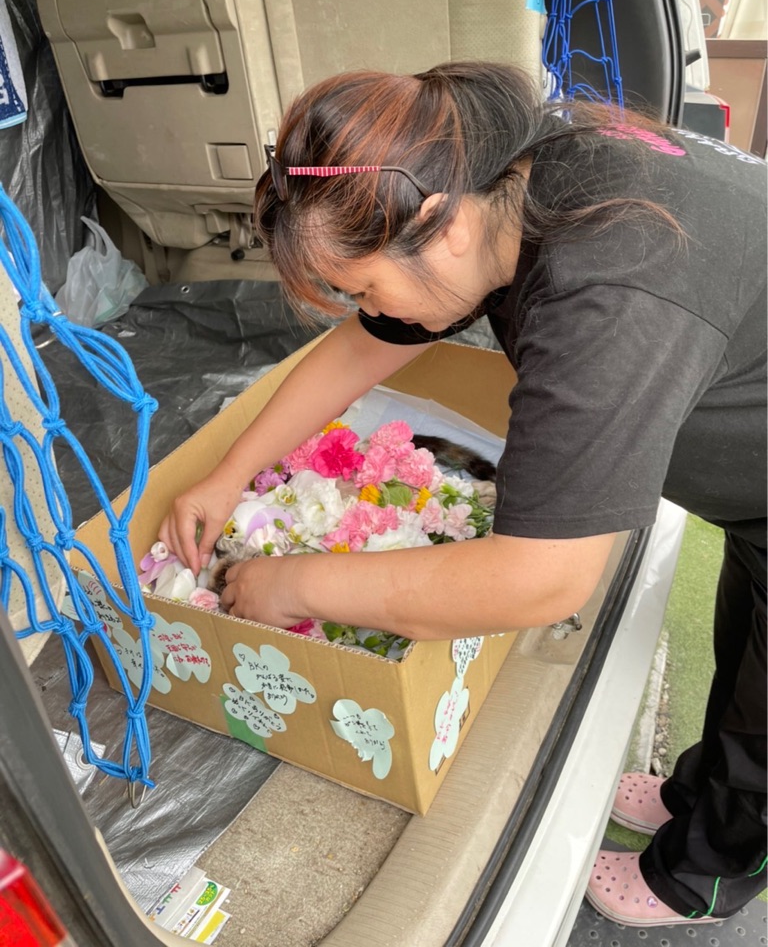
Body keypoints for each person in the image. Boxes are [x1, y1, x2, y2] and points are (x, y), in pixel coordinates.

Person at [159, 61, 766, 927]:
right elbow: (367, 344)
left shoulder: (606, 294)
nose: (365, 307)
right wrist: (226, 476)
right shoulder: (504, 169)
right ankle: (703, 792)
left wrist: (293, 583)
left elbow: (540, 580)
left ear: (438, 223)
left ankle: (706, 874)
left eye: (362, 286)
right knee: (749, 652)